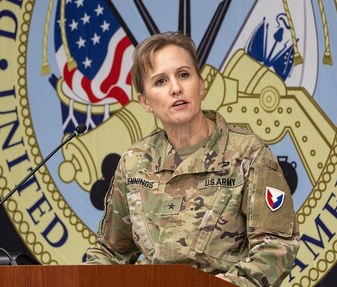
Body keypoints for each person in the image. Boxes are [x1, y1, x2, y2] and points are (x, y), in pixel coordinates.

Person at [85, 31, 300, 287]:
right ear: (145, 102)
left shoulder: (249, 153)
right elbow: (112, 252)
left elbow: (275, 245)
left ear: (201, 85)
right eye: (161, 81)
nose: (176, 88)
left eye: (184, 75)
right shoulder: (135, 162)